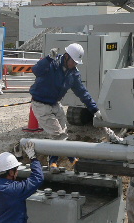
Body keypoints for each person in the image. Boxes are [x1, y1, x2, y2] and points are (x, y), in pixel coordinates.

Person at [29, 43, 101, 173]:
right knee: (58, 135)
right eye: (73, 61)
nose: (75, 64)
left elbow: (83, 93)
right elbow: (36, 70)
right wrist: (48, 58)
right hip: (40, 104)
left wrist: (95, 110)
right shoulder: (52, 63)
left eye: (77, 62)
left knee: (61, 133)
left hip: (55, 104)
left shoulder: (73, 74)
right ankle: (73, 160)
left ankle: (53, 163)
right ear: (66, 56)